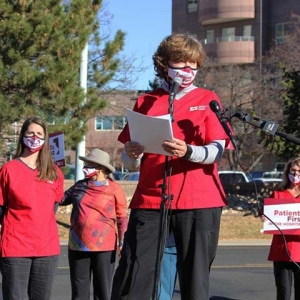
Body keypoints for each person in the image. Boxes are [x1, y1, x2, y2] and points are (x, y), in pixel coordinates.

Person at [110, 32, 231, 300]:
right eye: (181, 64)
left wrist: (189, 151)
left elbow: (218, 149)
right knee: (134, 274)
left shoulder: (208, 99)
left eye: (194, 65)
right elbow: (129, 163)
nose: (188, 71)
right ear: (165, 65)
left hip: (199, 200)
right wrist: (132, 154)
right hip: (151, 200)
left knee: (195, 280)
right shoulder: (146, 101)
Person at [0, 117, 64, 300]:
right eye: (30, 133)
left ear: (45, 139)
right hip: (15, 248)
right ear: (22, 137)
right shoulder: (8, 170)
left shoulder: (54, 172)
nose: (34, 137)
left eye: (39, 134)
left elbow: (53, 207)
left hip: (46, 249)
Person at [60, 148, 128, 300]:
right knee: (79, 291)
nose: (85, 168)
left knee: (103, 291)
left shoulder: (114, 189)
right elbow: (61, 199)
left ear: (101, 168)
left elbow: (122, 218)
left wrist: (122, 244)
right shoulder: (79, 186)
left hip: (104, 248)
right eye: (86, 164)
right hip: (77, 245)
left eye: (89, 164)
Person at [266, 157, 300, 300]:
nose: (296, 175)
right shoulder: (278, 193)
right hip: (281, 251)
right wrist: (266, 217)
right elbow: (268, 215)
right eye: (293, 171)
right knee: (283, 293)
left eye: (299, 171)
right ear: (287, 172)